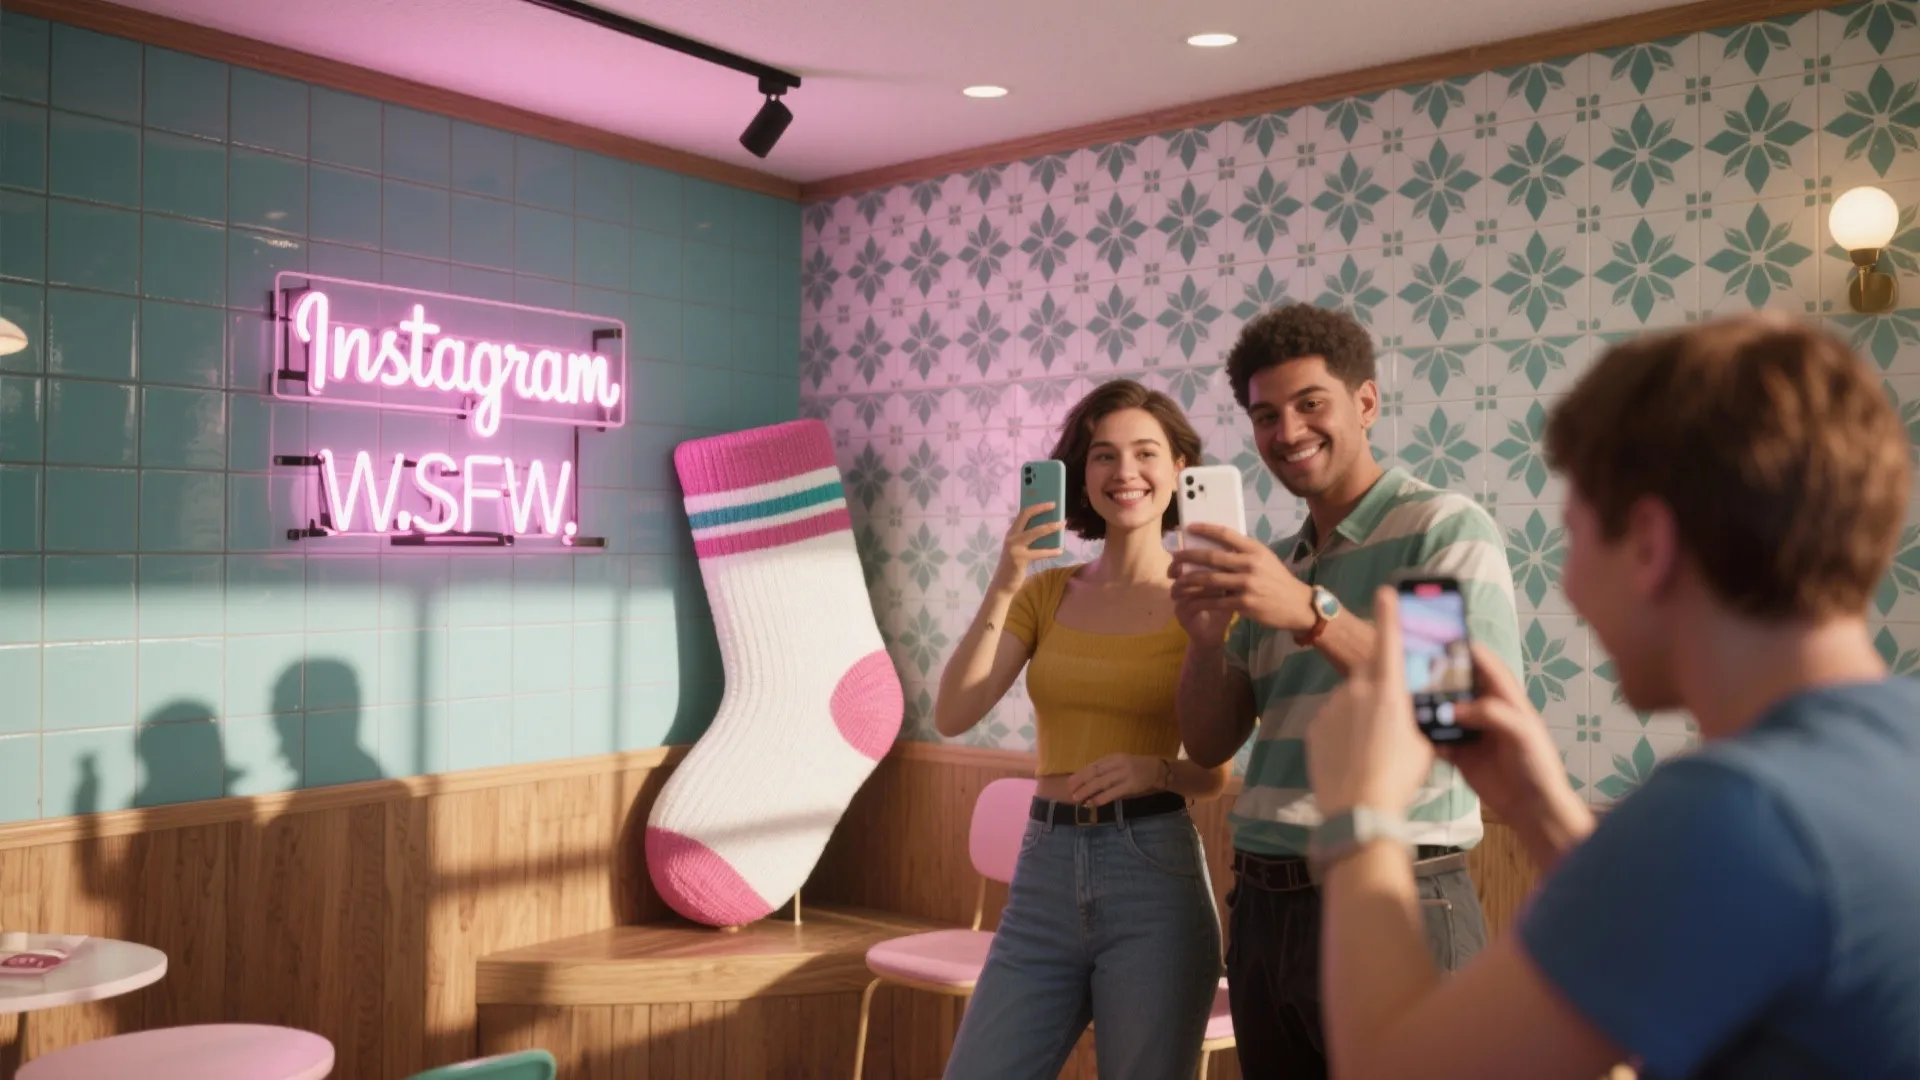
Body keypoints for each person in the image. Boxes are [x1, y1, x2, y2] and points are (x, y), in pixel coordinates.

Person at [1304, 314, 1920, 1079]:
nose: (1568, 585)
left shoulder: (1736, 812)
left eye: (1575, 536)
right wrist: (1539, 810)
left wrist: (1360, 813)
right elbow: (1703, 942)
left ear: (1650, 545)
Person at [1167, 303, 1522, 1077]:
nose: (1287, 431)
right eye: (1266, 415)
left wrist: (1311, 613)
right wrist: (1204, 641)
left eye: (1310, 403)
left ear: (1365, 403)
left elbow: (1452, 705)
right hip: (1262, 908)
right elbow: (1209, 741)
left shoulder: (1440, 528)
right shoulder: (1274, 564)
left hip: (1405, 892)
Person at [936, 378, 1230, 1080]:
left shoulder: (1206, 599)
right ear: (1081, 474)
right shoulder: (1045, 592)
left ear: (1179, 470)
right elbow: (954, 712)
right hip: (1043, 868)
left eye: (1145, 452)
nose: (1125, 471)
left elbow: (1215, 770)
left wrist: (1156, 770)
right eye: (1103, 455)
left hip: (1152, 872)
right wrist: (1006, 578)